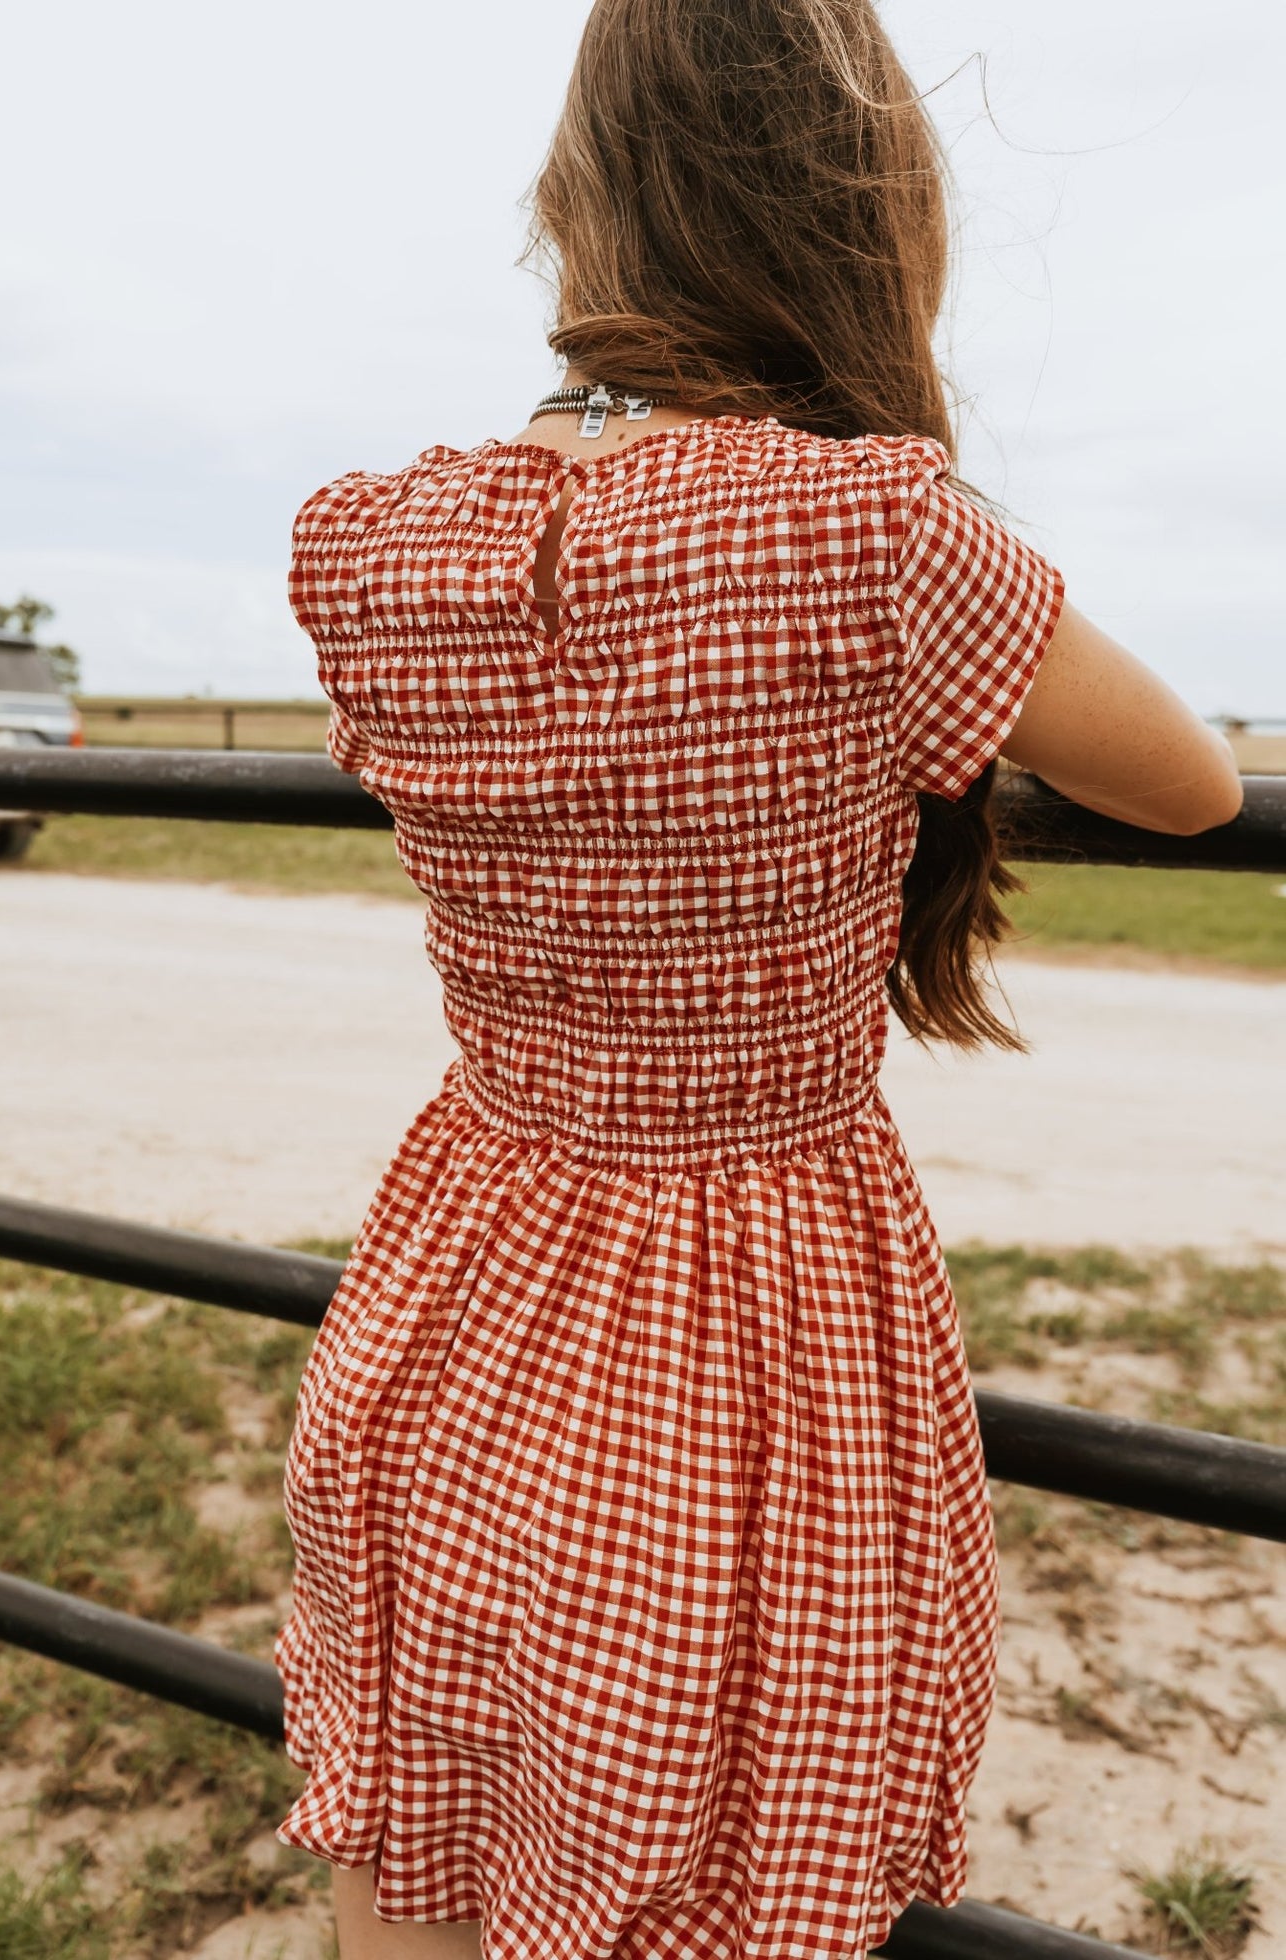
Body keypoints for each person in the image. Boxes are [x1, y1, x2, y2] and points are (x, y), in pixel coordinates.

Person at [272, 3, 1244, 1956]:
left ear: (581, 206)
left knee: (433, 1839)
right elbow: (1192, 779)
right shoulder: (875, 536)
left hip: (456, 1267)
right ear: (853, 204)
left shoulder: (375, 544)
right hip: (744, 1318)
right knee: (696, 1860)